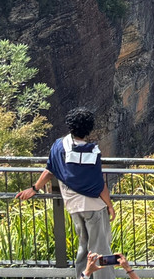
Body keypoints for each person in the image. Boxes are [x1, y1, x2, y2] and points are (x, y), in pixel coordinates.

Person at [15, 107, 115, 279]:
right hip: (93, 207)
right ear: (89, 129)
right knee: (101, 249)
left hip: (73, 207)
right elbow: (99, 185)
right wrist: (110, 206)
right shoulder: (92, 152)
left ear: (70, 126)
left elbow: (50, 169)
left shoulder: (59, 146)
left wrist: (34, 188)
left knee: (84, 247)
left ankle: (82, 277)